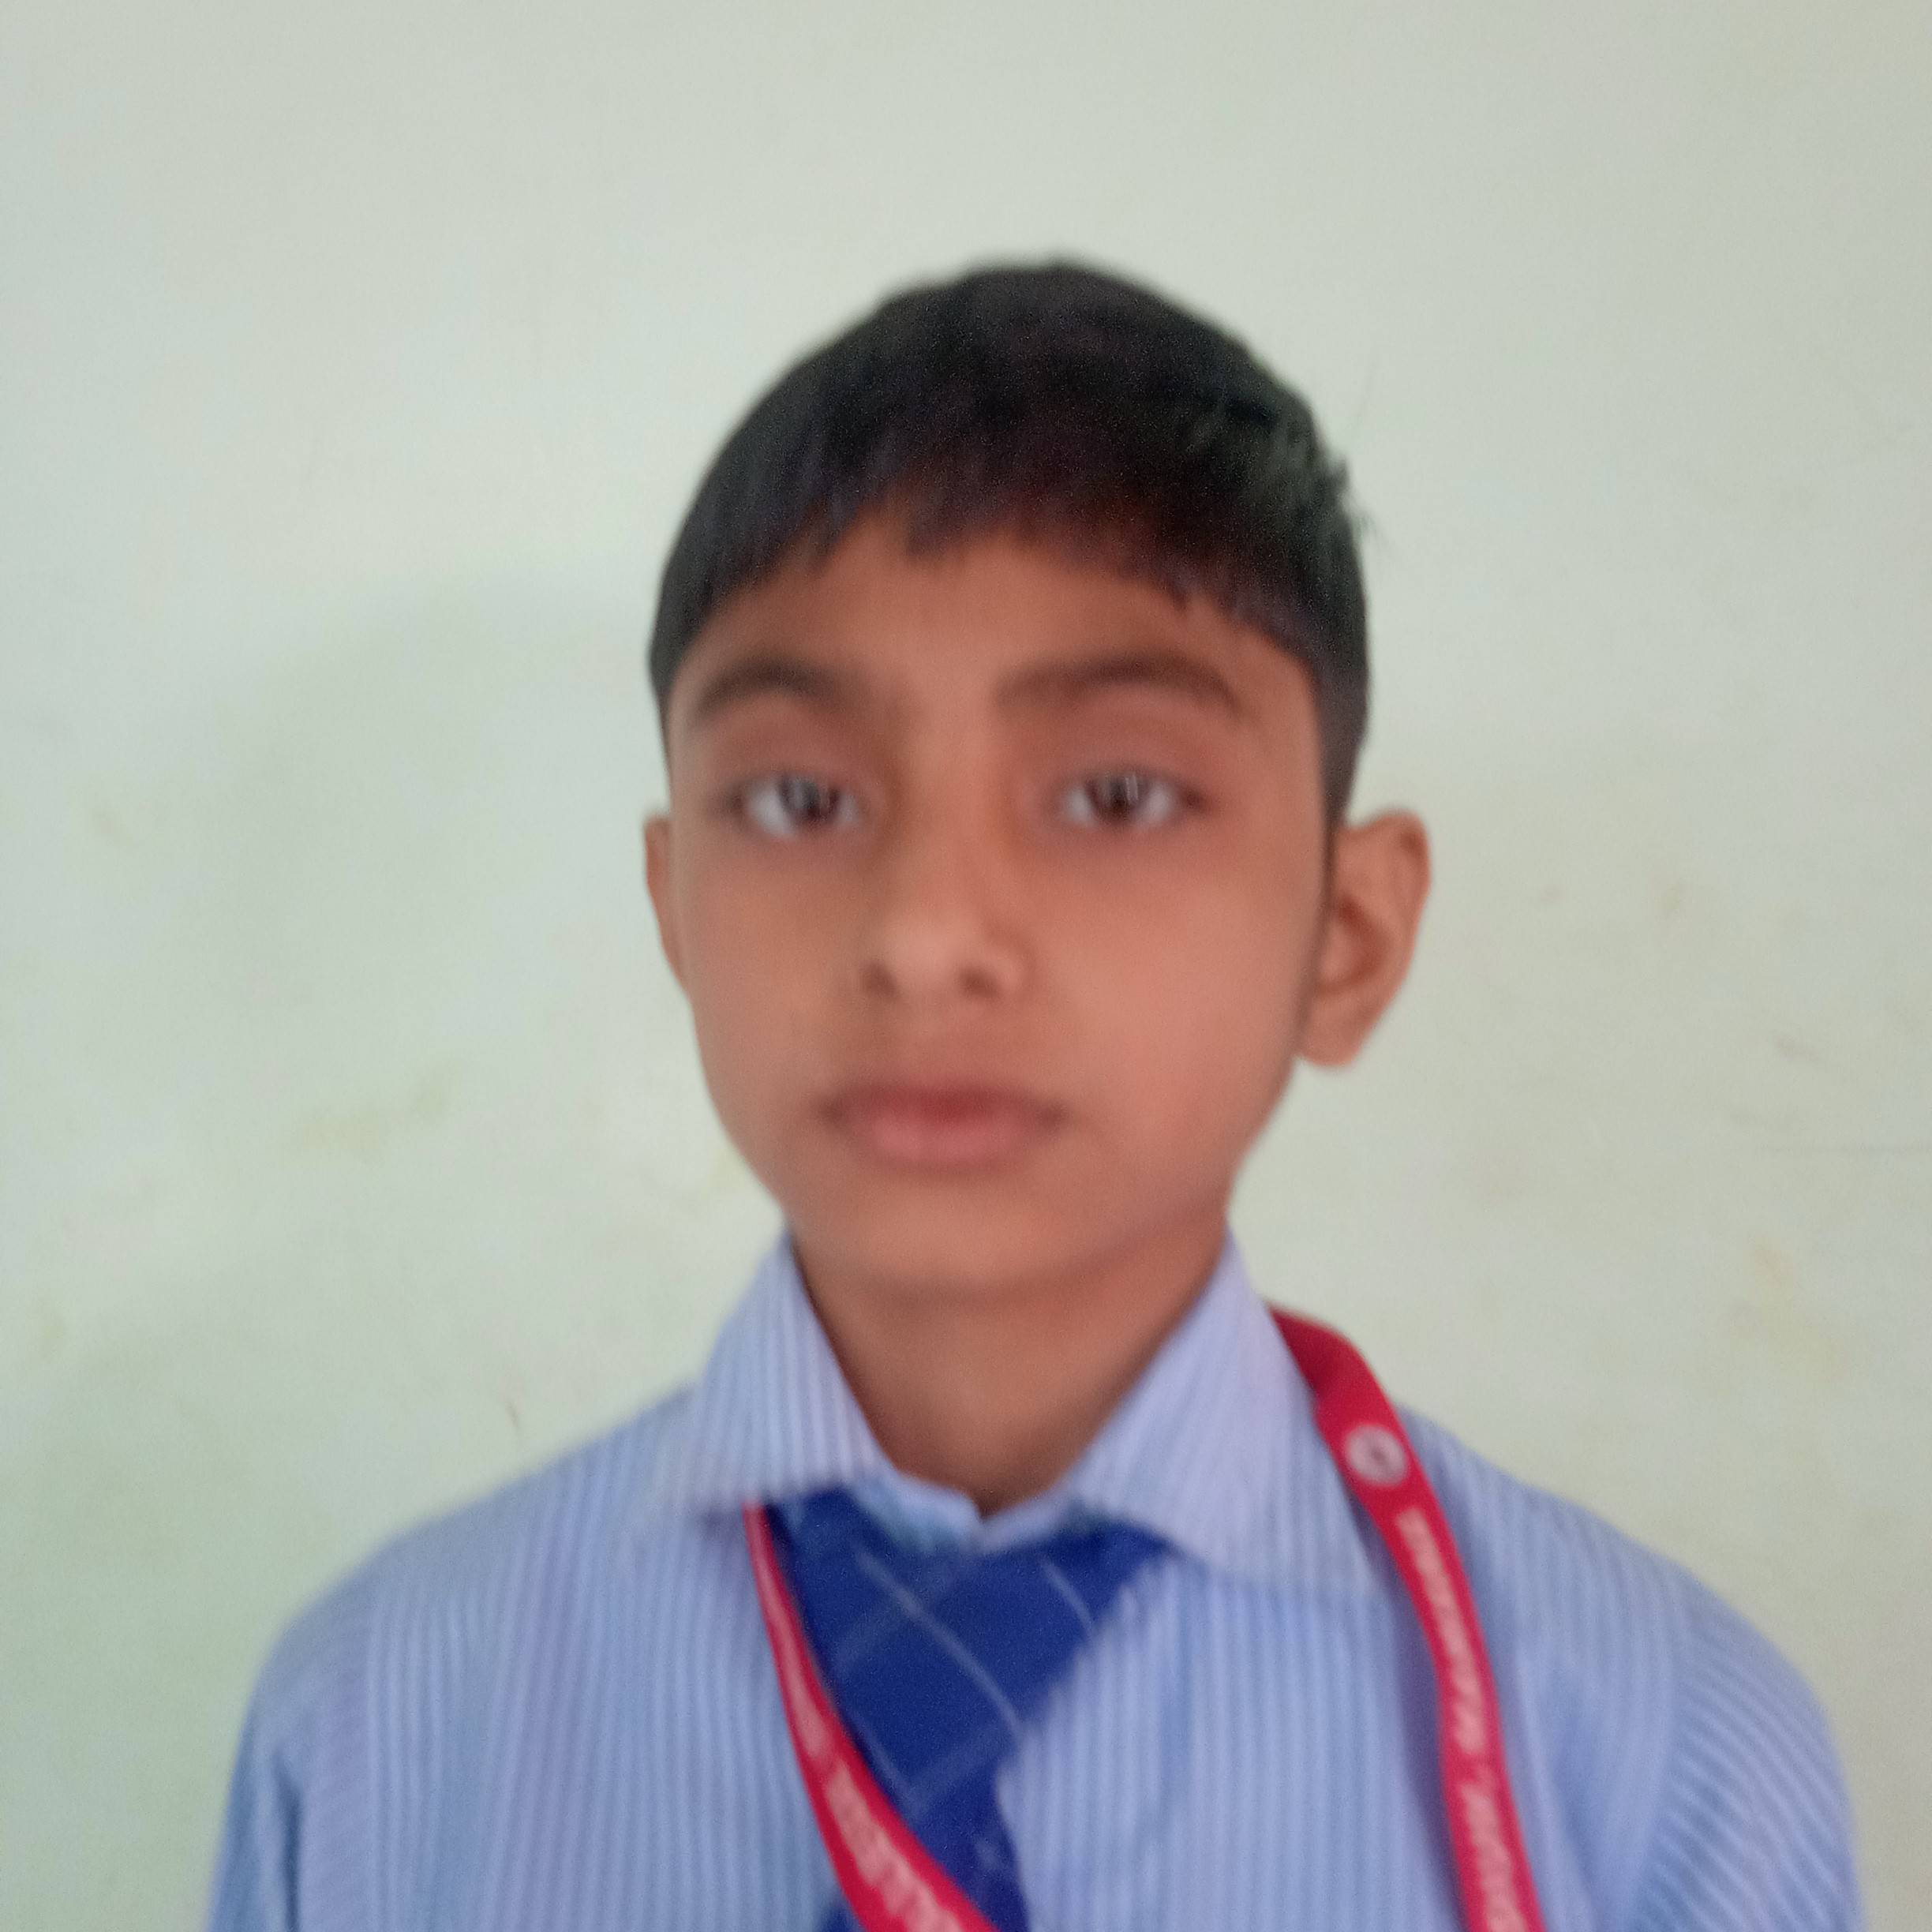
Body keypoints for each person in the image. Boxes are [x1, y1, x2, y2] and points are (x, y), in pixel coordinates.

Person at [204, 261, 1863, 1931]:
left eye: (1117, 793)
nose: (927, 936)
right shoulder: (375, 1734)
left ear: (1347, 938)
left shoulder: (1666, 1768)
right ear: (674, 909)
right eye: (798, 799)